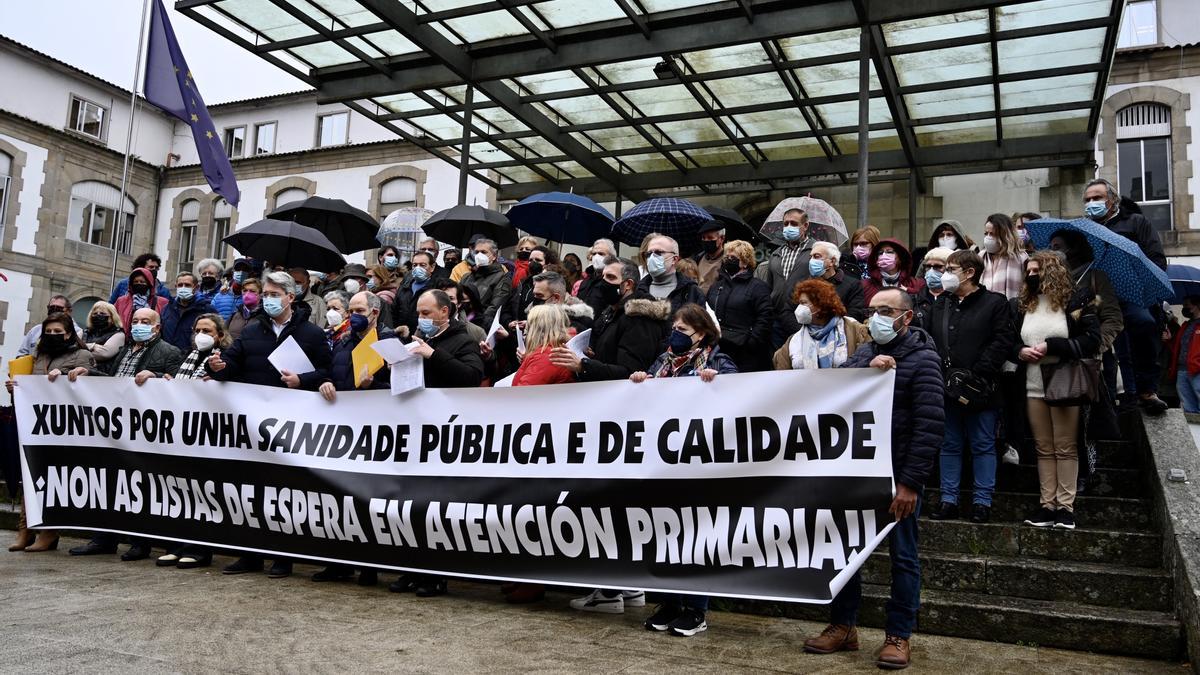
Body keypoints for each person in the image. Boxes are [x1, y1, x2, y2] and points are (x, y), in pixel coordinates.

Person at [804, 288, 943, 670]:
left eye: (886, 310)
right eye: (873, 310)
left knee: (904, 558)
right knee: (846, 554)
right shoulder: (864, 354)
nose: (877, 317)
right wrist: (866, 370)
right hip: (858, 475)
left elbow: (929, 426)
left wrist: (910, 483)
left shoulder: (924, 360)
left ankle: (899, 635)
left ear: (907, 317)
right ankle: (843, 626)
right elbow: (835, 390)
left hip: (897, 477)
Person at [206, 272, 332, 579]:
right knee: (251, 490)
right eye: (265, 294)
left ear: (291, 297)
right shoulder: (251, 331)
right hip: (253, 424)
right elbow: (233, 366)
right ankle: (249, 554)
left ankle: (282, 557)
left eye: (275, 294)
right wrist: (220, 368)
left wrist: (303, 380)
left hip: (292, 427)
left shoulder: (312, 334)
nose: (268, 299)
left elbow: (328, 371)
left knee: (284, 492)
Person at [631, 303, 738, 637]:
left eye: (683, 331)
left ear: (702, 333)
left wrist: (719, 383)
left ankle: (696, 608)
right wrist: (640, 382)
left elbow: (743, 396)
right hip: (662, 464)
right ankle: (670, 603)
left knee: (695, 535)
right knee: (664, 533)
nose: (675, 335)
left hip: (699, 464)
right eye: (674, 328)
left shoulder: (718, 361)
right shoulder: (663, 362)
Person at [385, 289, 485, 598]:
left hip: (444, 433)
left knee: (435, 507)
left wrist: (434, 355)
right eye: (419, 313)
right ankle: (411, 569)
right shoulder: (415, 340)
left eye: (428, 314)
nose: (422, 319)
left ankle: (434, 574)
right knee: (408, 503)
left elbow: (471, 376)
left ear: (445, 312)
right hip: (415, 430)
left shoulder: (462, 339)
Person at [66, 307, 182, 561]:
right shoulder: (125, 351)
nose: (139, 325)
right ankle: (104, 538)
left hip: (144, 432)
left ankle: (140, 543)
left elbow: (179, 385)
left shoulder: (170, 352)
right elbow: (113, 381)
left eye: (145, 321)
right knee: (109, 484)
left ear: (157, 327)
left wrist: (157, 375)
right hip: (116, 429)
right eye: (136, 321)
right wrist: (90, 372)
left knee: (139, 488)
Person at [923, 250, 1015, 524]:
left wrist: (976, 372)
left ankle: (982, 502)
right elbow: (928, 339)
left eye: (951, 269)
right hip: (945, 387)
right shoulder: (940, 304)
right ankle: (948, 500)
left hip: (981, 388)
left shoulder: (995, 303)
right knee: (949, 444)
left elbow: (1002, 340)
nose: (944, 274)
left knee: (983, 444)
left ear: (970, 272)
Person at [1011, 252, 1101, 531]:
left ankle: (1065, 507)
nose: (1031, 274)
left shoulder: (1076, 301)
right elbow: (1010, 340)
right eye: (1029, 270)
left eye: (1037, 269)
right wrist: (1019, 351)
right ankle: (1046, 504)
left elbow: (1091, 340)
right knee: (1043, 447)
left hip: (1064, 382)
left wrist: (1054, 346)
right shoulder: (1024, 303)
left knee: (1064, 446)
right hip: (1032, 384)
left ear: (1053, 271)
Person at [312, 291, 393, 586]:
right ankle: (339, 562)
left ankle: (370, 565)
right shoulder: (344, 341)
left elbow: (406, 385)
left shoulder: (388, 343)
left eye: (359, 309)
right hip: (344, 428)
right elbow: (330, 371)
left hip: (375, 429)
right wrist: (325, 382)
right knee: (338, 497)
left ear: (374, 312)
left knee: (368, 499)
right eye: (351, 309)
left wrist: (377, 384)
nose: (353, 314)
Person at [5, 312, 95, 554]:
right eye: (49, 332)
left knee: (54, 479)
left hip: (63, 428)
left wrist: (66, 377)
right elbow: (27, 388)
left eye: (59, 332)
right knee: (30, 477)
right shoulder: (37, 356)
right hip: (34, 425)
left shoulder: (82, 355)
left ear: (69, 334)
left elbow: (89, 388)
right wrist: (15, 387)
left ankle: (49, 532)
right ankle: (25, 530)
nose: (53, 336)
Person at [1083, 178, 1169, 414]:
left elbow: (1156, 259)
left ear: (1111, 200)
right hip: (1100, 297)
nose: (1092, 203)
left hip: (1134, 294)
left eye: (1097, 198)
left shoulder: (1135, 222)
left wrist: (1140, 285)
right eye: (1088, 199)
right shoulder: (1085, 230)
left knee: (1143, 326)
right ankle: (1114, 396)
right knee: (1107, 346)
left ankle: (1146, 390)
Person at [154, 313, 231, 570]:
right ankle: (175, 546)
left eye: (208, 331)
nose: (202, 334)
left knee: (202, 494)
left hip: (206, 436)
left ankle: (198, 550)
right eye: (198, 329)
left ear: (220, 335)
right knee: (177, 491)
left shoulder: (223, 360)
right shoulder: (188, 356)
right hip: (181, 434)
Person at [554, 258, 670, 384]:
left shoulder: (639, 318)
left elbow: (630, 372)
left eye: (610, 277)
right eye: (603, 276)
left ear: (628, 285)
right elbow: (609, 353)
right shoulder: (611, 310)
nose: (603, 282)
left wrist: (584, 365)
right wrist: (590, 353)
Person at [706, 240, 773, 372]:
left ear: (745, 262)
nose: (728, 260)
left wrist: (751, 343)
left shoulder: (757, 287)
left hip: (746, 354)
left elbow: (765, 317)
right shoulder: (716, 286)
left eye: (733, 258)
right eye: (726, 257)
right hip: (719, 349)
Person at [773, 279, 868, 370]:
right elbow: (782, 372)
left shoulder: (854, 329)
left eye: (804, 303)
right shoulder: (794, 340)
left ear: (820, 305)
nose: (799, 308)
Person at [758, 208, 815, 308]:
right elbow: (769, 286)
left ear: (805, 226)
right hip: (776, 313)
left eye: (793, 223)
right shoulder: (776, 254)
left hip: (802, 312)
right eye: (786, 224)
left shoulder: (815, 251)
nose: (789, 227)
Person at [636, 234, 707, 315]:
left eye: (658, 252)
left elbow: (699, 325)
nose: (652, 257)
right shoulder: (638, 290)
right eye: (648, 254)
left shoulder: (692, 291)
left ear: (674, 259)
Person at [511, 304, 576, 387]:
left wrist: (532, 359)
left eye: (529, 326)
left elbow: (522, 395)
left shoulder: (545, 357)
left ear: (536, 330)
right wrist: (528, 359)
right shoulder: (556, 348)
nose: (525, 331)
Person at [460, 238, 513, 330]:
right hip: (462, 323)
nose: (479, 255)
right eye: (476, 252)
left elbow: (495, 306)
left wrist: (479, 323)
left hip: (482, 326)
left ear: (494, 256)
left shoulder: (502, 278)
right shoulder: (466, 277)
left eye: (483, 252)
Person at [809, 241, 866, 322]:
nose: (811, 261)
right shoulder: (806, 284)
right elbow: (790, 310)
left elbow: (854, 315)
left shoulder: (853, 285)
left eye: (816, 256)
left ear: (832, 261)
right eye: (810, 257)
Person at [160, 272, 215, 353]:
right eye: (180, 285)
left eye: (187, 285)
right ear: (176, 286)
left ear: (196, 288)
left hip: (191, 358)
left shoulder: (206, 309)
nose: (183, 288)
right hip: (167, 357)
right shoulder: (167, 308)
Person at [979, 213, 1028, 300]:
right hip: (984, 309)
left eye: (992, 234)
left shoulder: (1021, 258)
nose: (988, 237)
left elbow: (1026, 287)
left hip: (1011, 309)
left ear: (1004, 235)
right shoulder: (981, 257)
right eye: (986, 233)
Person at [862, 239, 925, 304]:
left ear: (900, 258)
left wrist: (909, 292)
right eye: (880, 253)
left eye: (889, 252)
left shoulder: (917, 284)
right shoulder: (864, 285)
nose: (884, 255)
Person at [17, 295, 83, 356]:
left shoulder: (78, 332)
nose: (54, 310)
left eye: (58, 308)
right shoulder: (35, 330)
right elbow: (22, 353)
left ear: (69, 311)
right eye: (51, 307)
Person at [531, 271, 593, 336]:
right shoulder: (543, 318)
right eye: (534, 295)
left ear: (556, 298)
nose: (535, 299)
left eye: (539, 295)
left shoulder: (574, 331)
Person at [114, 267, 169, 336]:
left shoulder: (162, 302)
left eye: (142, 282)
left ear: (149, 284)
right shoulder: (121, 301)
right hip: (126, 341)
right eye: (136, 282)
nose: (139, 284)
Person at [394, 250, 438, 335]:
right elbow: (394, 310)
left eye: (422, 265)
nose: (418, 268)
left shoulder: (436, 288)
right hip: (401, 335)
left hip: (423, 336)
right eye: (415, 265)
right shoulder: (404, 286)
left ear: (432, 267)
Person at [574, 238, 619, 316]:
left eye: (601, 254)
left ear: (611, 257)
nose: (596, 257)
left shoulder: (614, 283)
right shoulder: (585, 282)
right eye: (594, 254)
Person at [1171, 295, 1200, 413]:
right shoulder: (1186, 325)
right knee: (1188, 408)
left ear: (1196, 306)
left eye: (1187, 305)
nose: (1184, 308)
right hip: (1182, 370)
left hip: (1197, 370)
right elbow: (1179, 347)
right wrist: (1169, 340)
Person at [913, 247, 953, 326]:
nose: (931, 271)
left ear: (950, 269)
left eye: (938, 266)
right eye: (928, 266)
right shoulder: (915, 299)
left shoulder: (958, 299)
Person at [83, 301, 125, 366]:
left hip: (103, 373)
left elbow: (104, 354)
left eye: (102, 313)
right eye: (95, 313)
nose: (98, 315)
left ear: (112, 317)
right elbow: (70, 349)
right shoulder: (85, 332)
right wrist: (93, 347)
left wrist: (85, 346)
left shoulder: (119, 334)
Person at [692, 221, 727, 293]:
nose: (706, 241)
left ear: (722, 238)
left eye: (710, 238)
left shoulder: (726, 261)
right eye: (703, 238)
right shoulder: (698, 258)